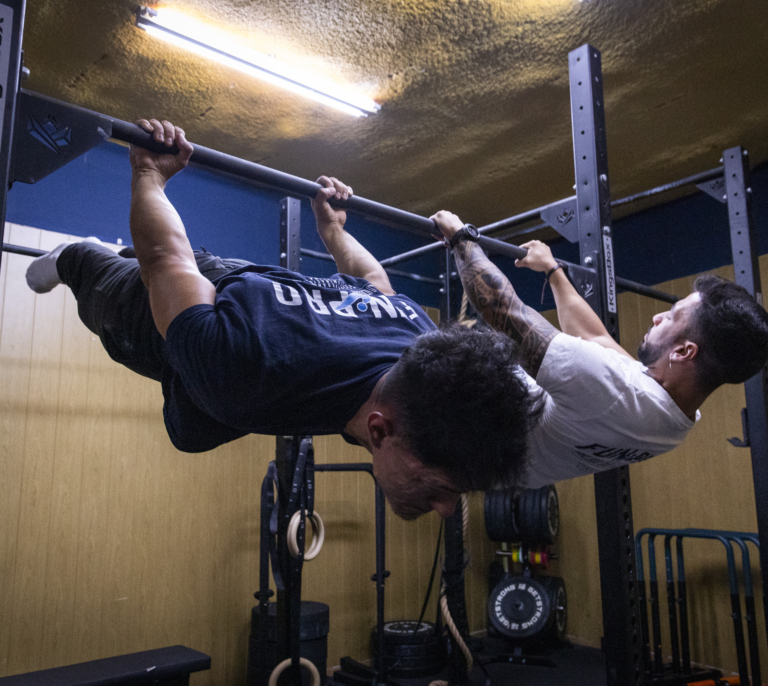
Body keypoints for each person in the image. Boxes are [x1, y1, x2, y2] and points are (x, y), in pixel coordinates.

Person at [24, 119, 541, 520]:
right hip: (165, 309)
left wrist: (334, 230)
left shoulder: (422, 347)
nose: (448, 509)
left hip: (254, 299)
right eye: (441, 490)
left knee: (199, 424)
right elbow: (166, 259)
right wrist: (148, 174)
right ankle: (79, 257)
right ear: (380, 430)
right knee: (97, 280)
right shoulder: (243, 373)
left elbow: (375, 284)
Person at [431, 210, 768, 487]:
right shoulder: (676, 414)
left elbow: (502, 311)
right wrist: (552, 270)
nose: (657, 316)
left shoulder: (619, 393)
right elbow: (598, 341)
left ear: (684, 352)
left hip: (451, 432)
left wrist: (461, 237)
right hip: (479, 453)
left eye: (672, 316)